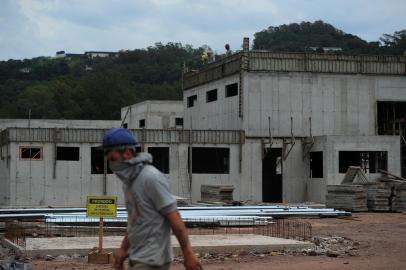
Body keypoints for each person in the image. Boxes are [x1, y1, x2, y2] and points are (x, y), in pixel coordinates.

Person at [101, 128, 202, 270]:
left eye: (113, 159)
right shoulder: (129, 183)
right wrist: (124, 250)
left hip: (153, 260)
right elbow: (135, 222)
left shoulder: (150, 178)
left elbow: (175, 217)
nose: (111, 165)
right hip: (137, 257)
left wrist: (188, 254)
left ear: (128, 153)